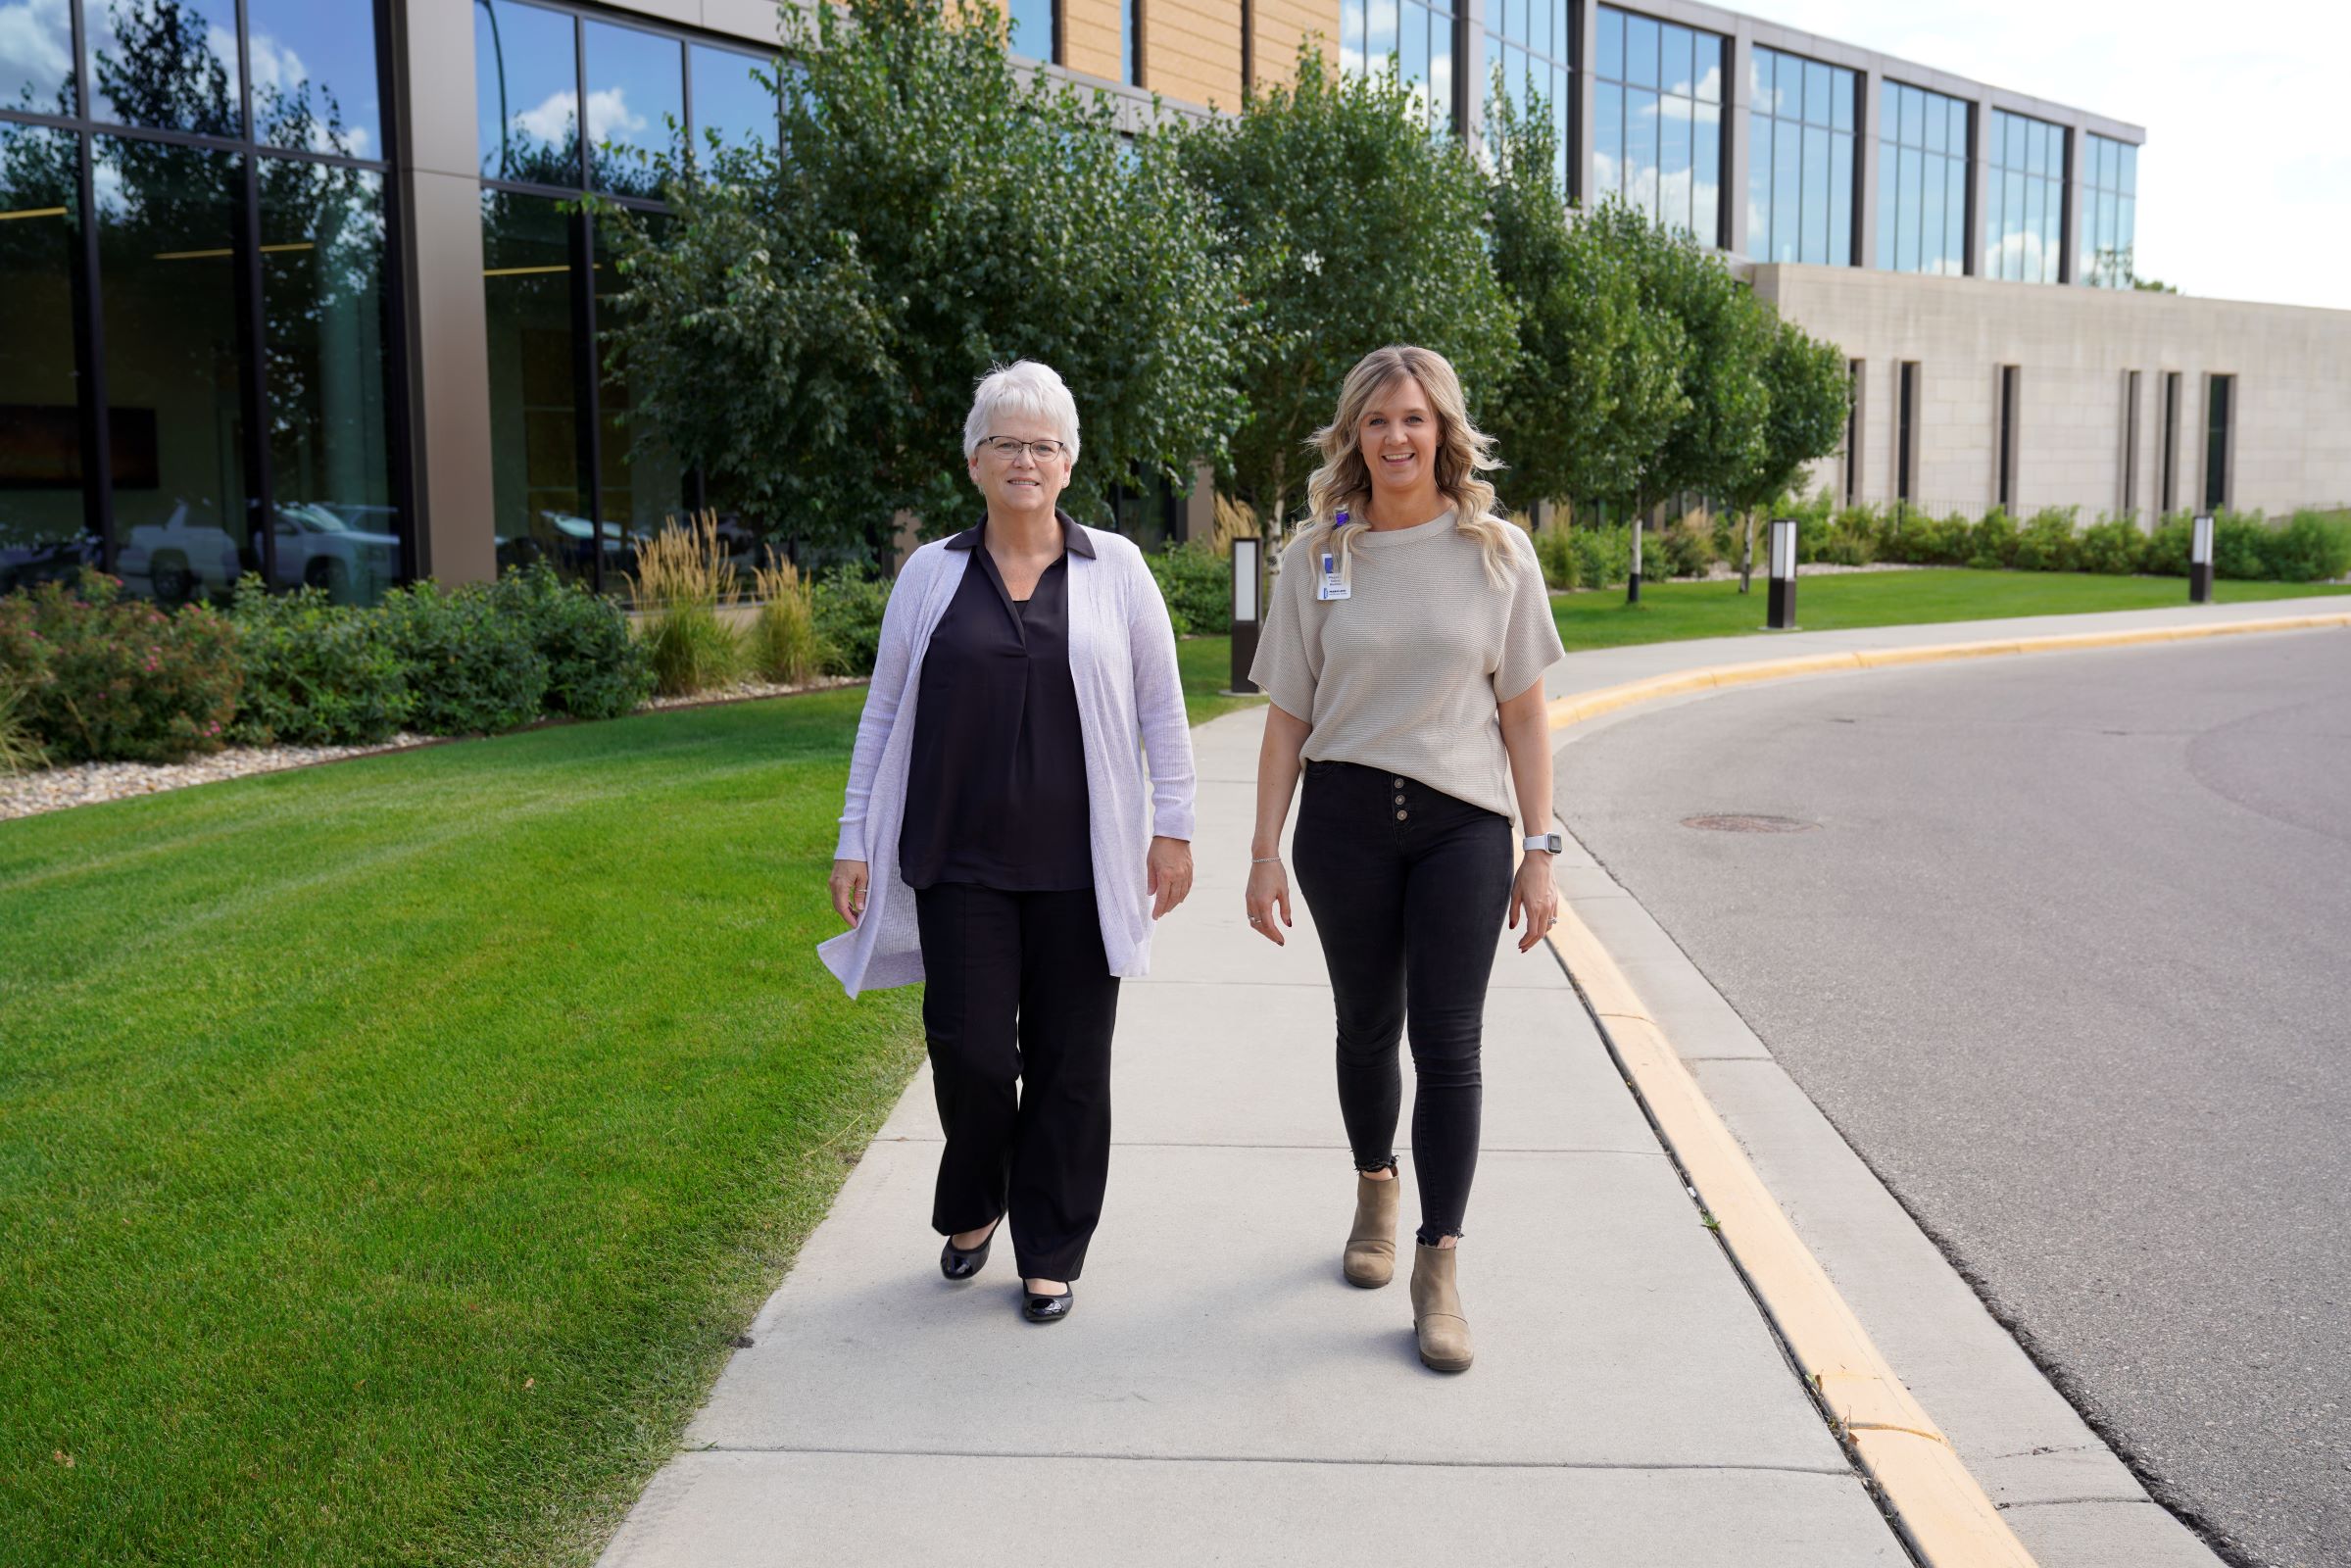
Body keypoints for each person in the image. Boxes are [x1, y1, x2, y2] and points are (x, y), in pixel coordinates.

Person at [820, 360, 1197, 1324]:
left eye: (1041, 444)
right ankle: (976, 1197)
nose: (1023, 460)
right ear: (973, 461)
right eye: (1004, 443)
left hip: (1082, 869)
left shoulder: (1115, 569)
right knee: (972, 1055)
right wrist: (852, 836)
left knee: (1071, 1066)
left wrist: (1173, 827)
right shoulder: (929, 573)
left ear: (1068, 463)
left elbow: (1162, 705)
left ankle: (1051, 1248)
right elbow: (881, 713)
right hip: (959, 862)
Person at [1243, 344, 1567, 1372]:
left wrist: (1539, 849)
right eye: (1376, 421)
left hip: (1460, 827)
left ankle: (1438, 1263)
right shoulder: (1313, 557)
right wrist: (1262, 851)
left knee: (1449, 1042)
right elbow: (1286, 718)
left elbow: (1523, 715)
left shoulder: (1496, 553)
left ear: (1443, 431)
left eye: (1413, 419)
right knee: (1363, 1026)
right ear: (1352, 436)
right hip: (1340, 822)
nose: (1394, 438)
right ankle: (1374, 1189)